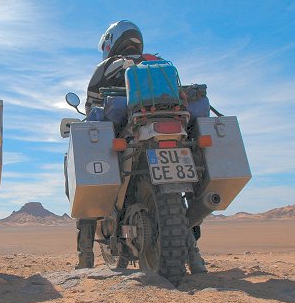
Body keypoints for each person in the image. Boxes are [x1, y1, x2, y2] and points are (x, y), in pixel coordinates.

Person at [76, 20, 207, 274]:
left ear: (111, 42)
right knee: (181, 192)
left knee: (87, 179)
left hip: (129, 135)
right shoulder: (156, 63)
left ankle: (85, 262)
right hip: (173, 127)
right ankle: (196, 257)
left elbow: (91, 106)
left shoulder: (105, 67)